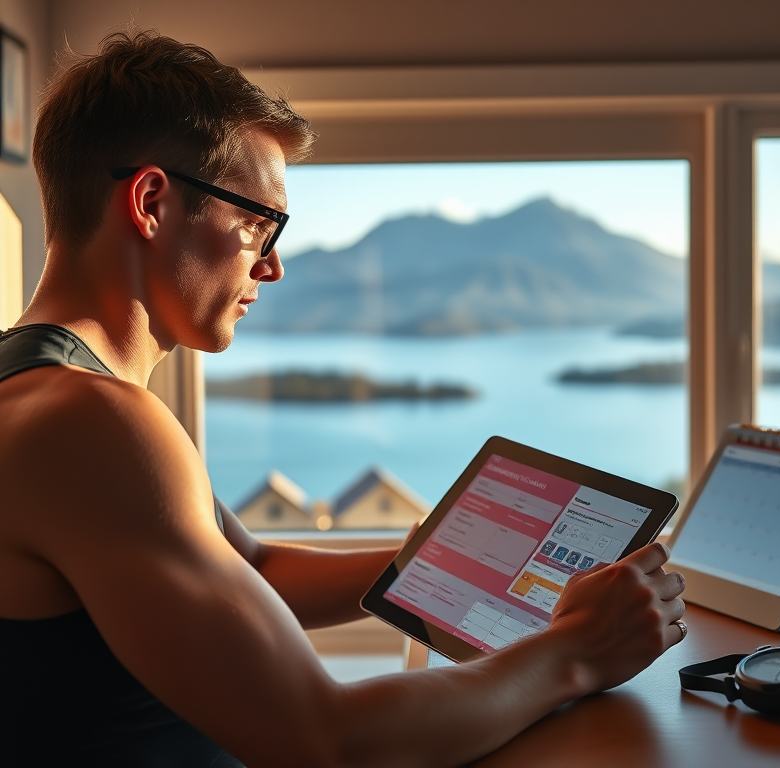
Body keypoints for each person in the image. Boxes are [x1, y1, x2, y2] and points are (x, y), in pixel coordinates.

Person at [0, 31, 687, 768]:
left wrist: (453, 563)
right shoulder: (91, 424)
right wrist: (577, 652)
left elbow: (251, 572)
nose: (274, 265)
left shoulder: (42, 388)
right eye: (258, 224)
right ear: (152, 202)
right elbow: (326, 741)